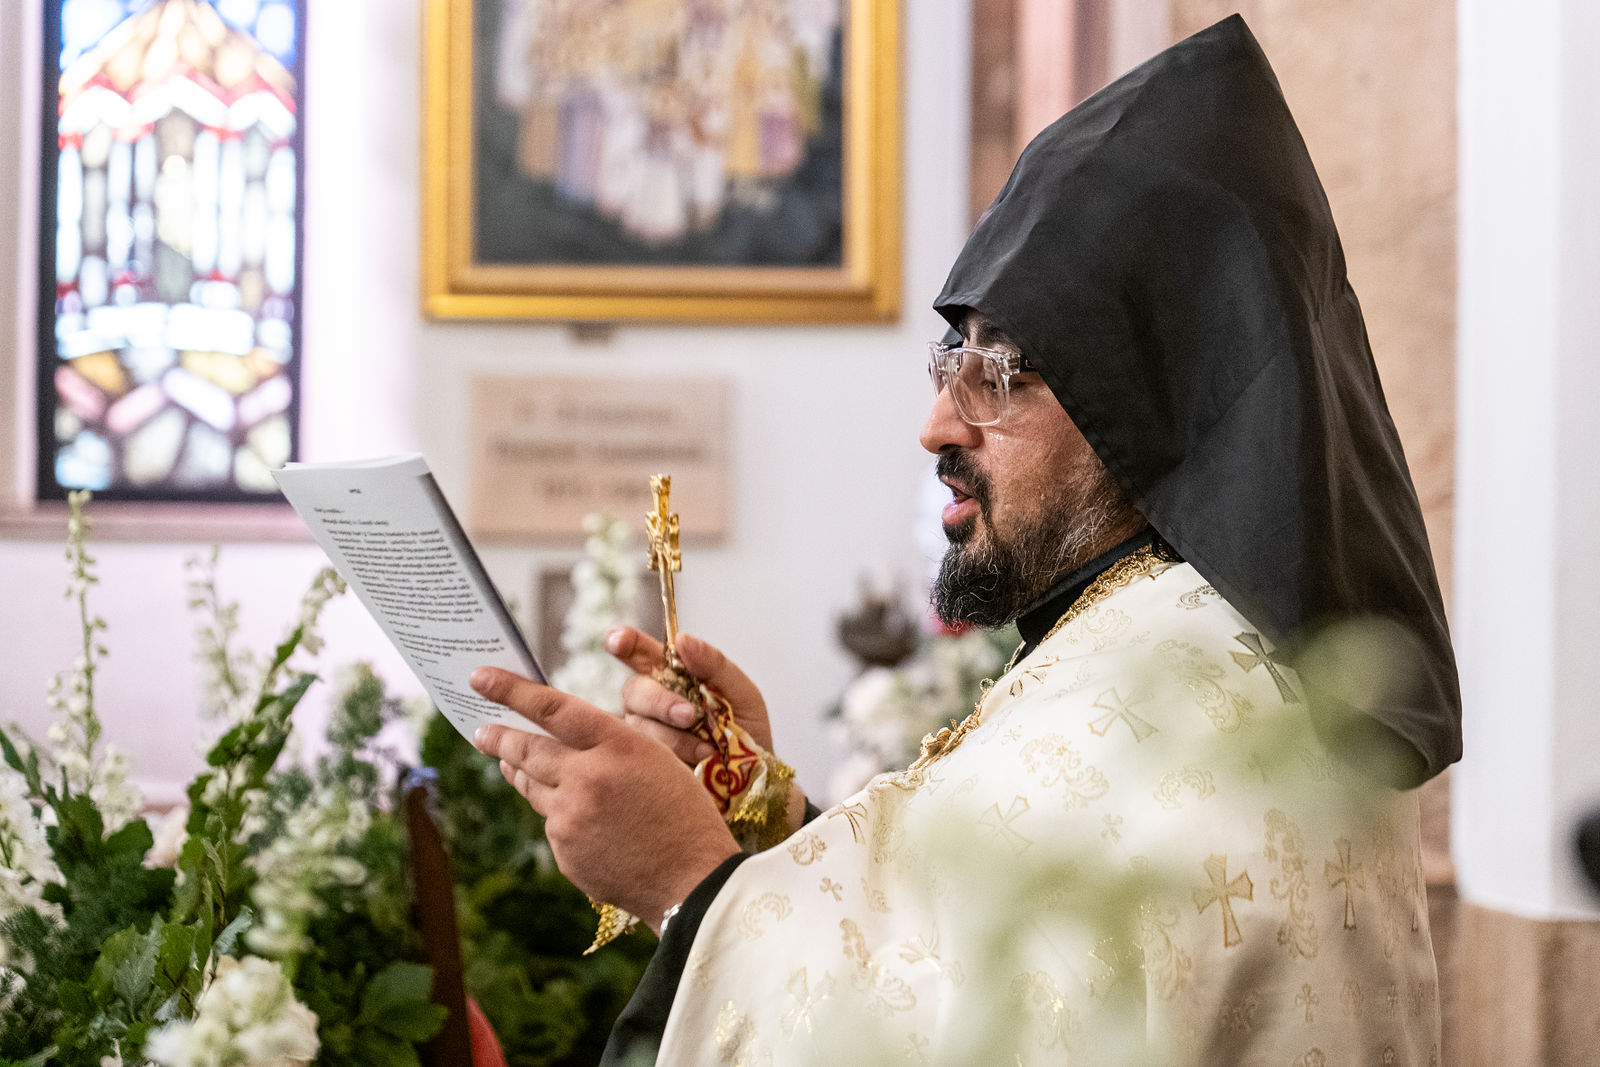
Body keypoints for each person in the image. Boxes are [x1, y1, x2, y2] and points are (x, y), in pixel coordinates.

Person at [470, 15, 1458, 1065]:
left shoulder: (1186, 713)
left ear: (1148, 399)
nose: (939, 425)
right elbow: (964, 964)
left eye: (1000, 371)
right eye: (950, 363)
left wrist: (685, 880)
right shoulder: (1154, 645)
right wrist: (767, 814)